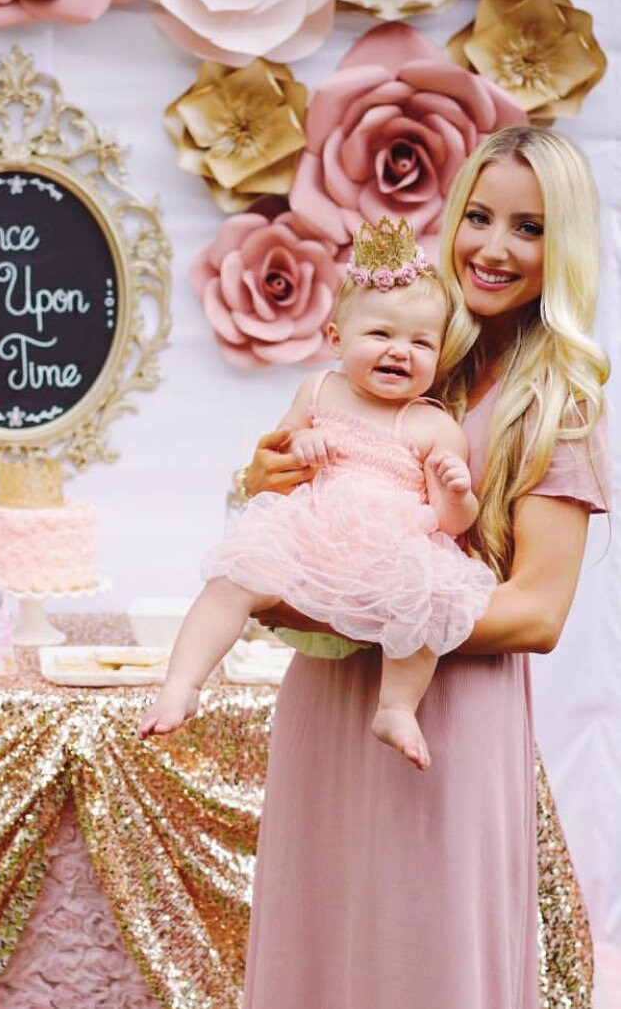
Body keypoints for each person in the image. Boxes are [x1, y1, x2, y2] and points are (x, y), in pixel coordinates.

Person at [160, 125, 609, 1009]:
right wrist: (263, 480)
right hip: (327, 701)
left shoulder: (556, 403)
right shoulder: (402, 346)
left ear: (566, 248)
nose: (491, 246)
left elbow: (537, 615)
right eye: (477, 215)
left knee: (423, 960)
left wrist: (338, 611)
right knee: (321, 941)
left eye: (528, 227)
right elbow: (309, 506)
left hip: (441, 719)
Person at [138, 217, 496, 770]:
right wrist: (302, 442)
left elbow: (451, 524)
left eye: (420, 342)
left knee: (427, 596)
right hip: (312, 531)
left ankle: (397, 707)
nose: (400, 351)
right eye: (380, 335)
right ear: (336, 338)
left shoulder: (432, 425)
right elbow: (277, 454)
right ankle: (182, 682)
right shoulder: (319, 389)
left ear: (440, 353)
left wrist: (455, 491)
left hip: (388, 547)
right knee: (233, 578)